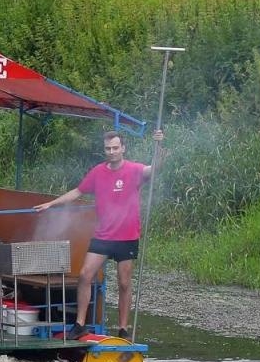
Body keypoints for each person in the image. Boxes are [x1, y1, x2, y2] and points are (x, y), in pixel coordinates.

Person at [34, 128, 165, 336]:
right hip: (104, 235)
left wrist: (159, 146)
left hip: (127, 236)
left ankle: (123, 329)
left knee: (124, 283)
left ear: (123, 148)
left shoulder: (134, 170)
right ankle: (79, 324)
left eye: (115, 148)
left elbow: (155, 169)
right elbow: (77, 191)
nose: (111, 152)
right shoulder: (98, 171)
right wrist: (52, 203)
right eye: (108, 148)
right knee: (85, 275)